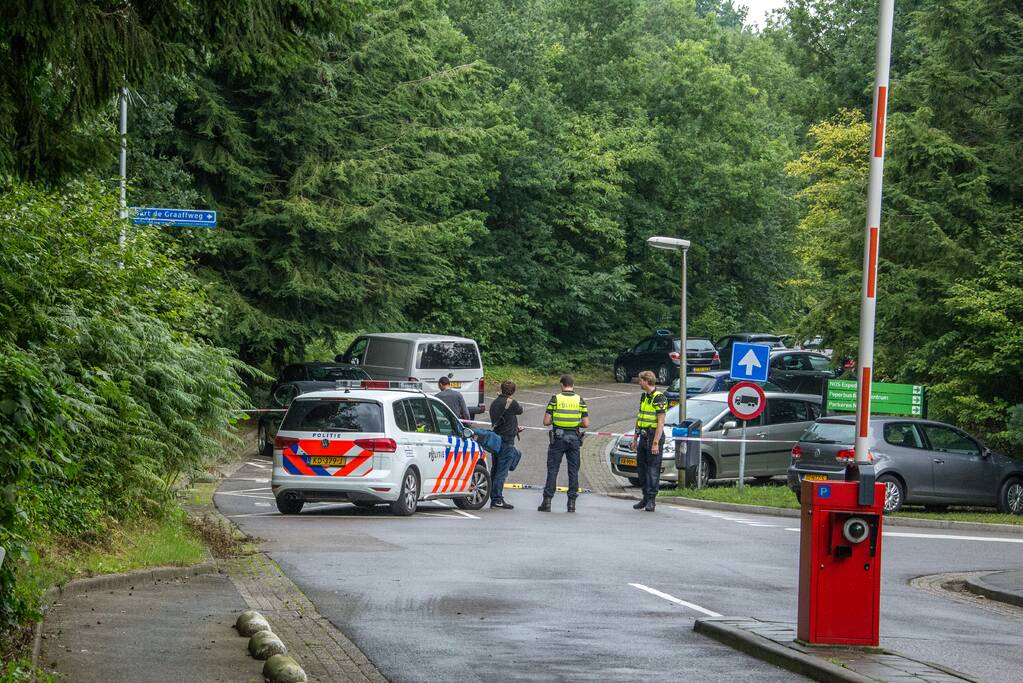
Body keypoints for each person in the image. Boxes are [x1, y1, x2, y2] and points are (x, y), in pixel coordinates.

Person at [539, 375, 589, 513]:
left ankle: (547, 501)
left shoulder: (555, 399)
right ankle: (571, 503)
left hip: (558, 438)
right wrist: (573, 423)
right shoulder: (580, 400)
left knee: (553, 469)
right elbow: (585, 423)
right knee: (573, 471)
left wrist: (558, 420)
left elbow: (546, 421)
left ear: (562, 385)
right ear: (573, 385)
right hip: (574, 438)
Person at [631, 370, 668, 512]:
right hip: (644, 436)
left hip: (654, 436)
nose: (639, 383)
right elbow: (640, 419)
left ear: (647, 381)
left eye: (640, 380)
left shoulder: (659, 398)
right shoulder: (644, 397)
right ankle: (645, 497)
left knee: (653, 469)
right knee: (642, 469)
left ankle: (651, 500)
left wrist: (656, 442)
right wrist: (635, 438)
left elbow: (661, 422)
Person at [488, 380, 523, 509]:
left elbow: (502, 420)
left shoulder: (494, 403)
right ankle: (497, 499)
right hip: (507, 440)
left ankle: (492, 496)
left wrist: (514, 427)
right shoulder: (511, 403)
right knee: (502, 471)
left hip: (496, 439)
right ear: (512, 392)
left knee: (495, 469)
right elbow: (520, 410)